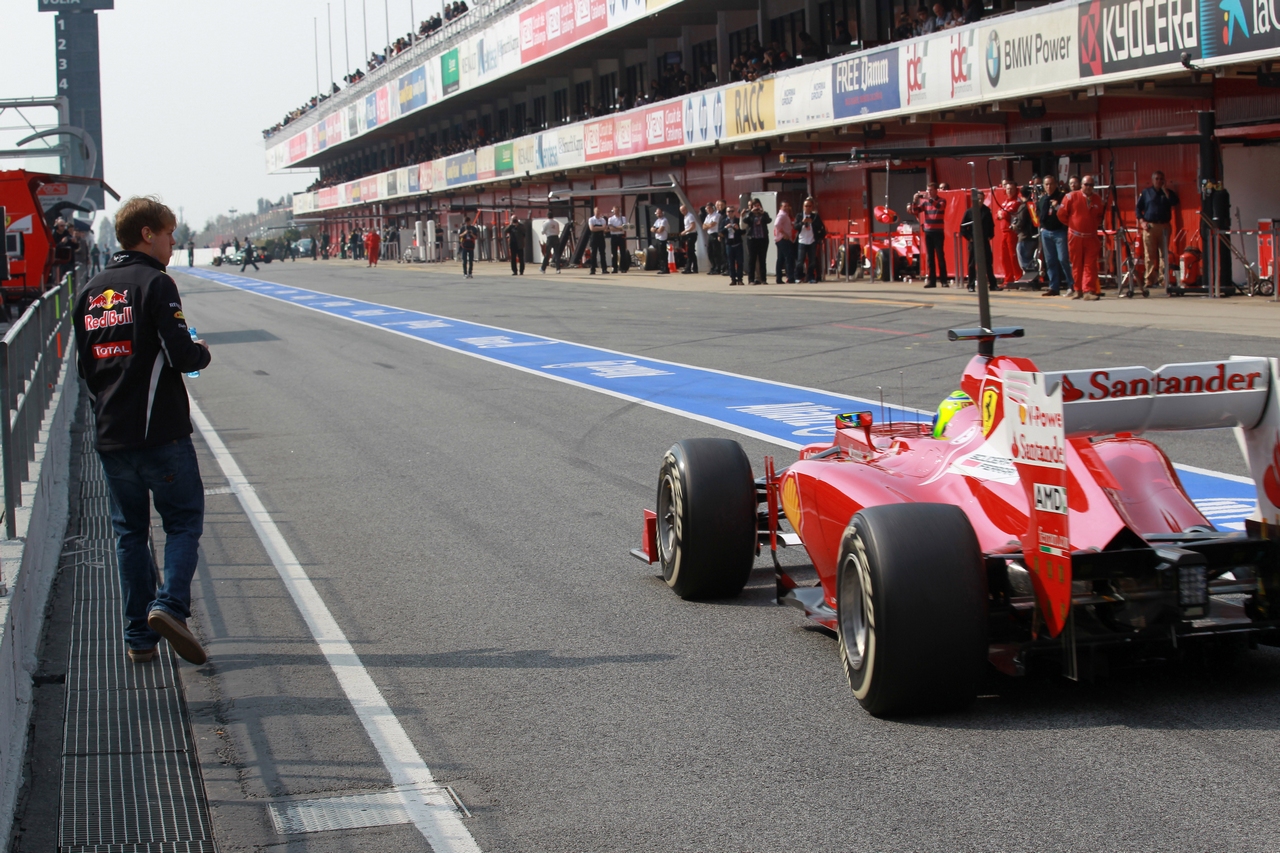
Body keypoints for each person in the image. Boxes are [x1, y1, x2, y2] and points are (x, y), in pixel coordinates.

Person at [73, 196, 212, 665]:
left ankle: (138, 638)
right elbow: (178, 355)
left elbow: (84, 371)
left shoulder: (89, 291)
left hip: (111, 436)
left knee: (129, 533)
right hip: (161, 434)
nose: (174, 243)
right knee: (182, 522)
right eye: (170, 234)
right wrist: (200, 351)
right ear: (148, 234)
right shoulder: (156, 283)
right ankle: (169, 606)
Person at [1057, 174, 1106, 300]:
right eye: (1086, 184)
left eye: (1091, 185)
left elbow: (1100, 215)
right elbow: (1061, 214)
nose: (1089, 187)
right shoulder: (1071, 197)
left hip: (1091, 237)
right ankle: (1077, 289)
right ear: (1081, 185)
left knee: (1090, 264)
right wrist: (1073, 225)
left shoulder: (1097, 199)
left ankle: (1088, 290)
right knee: (1076, 264)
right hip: (1075, 236)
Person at [1136, 170, 1179, 296]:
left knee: (1163, 254)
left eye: (1161, 179)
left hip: (1164, 225)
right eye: (1157, 179)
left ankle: (1163, 279)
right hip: (1150, 226)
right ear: (1153, 180)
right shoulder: (1146, 192)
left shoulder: (1168, 193)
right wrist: (1142, 222)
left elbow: (1175, 202)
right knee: (1149, 254)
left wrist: (1165, 191)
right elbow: (1138, 208)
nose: (1159, 181)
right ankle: (1149, 279)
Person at [1036, 175, 1073, 296]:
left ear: (1055, 184)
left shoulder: (1062, 197)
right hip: (1046, 232)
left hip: (1059, 232)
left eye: (1051, 184)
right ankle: (1054, 286)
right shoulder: (1042, 200)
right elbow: (1038, 213)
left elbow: (1067, 213)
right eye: (1046, 184)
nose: (1049, 187)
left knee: (1063, 259)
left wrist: (1057, 207)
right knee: (1050, 260)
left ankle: (1071, 285)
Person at [910, 182, 948, 288]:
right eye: (928, 190)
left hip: (938, 231)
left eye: (931, 190)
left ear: (936, 190)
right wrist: (914, 201)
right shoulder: (925, 203)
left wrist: (930, 199)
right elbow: (915, 211)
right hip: (928, 232)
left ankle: (944, 281)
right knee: (930, 257)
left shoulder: (941, 200)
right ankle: (932, 281)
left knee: (940, 256)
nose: (929, 192)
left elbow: (940, 207)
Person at [959, 197, 995, 292]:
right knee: (972, 264)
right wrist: (969, 238)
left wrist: (990, 236)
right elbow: (963, 227)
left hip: (984, 240)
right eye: (977, 199)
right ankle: (971, 285)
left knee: (988, 262)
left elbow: (991, 225)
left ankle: (993, 284)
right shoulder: (969, 212)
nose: (979, 201)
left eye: (981, 199)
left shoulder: (987, 211)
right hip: (974, 241)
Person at [994, 180, 1023, 287]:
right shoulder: (1005, 202)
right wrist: (1001, 214)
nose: (1009, 191)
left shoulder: (1017, 201)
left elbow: (1005, 214)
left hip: (1012, 232)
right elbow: (997, 215)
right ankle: (1008, 278)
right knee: (1005, 256)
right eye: (1008, 189)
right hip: (1004, 232)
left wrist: (1002, 214)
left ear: (1016, 190)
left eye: (1012, 189)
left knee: (1013, 256)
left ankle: (1018, 277)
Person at [794, 198, 826, 282]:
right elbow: (795, 226)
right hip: (802, 240)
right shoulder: (799, 215)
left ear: (812, 207)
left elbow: (820, 226)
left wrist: (812, 222)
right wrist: (802, 222)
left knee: (812, 261)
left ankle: (811, 277)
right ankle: (798, 276)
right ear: (803, 207)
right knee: (800, 261)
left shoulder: (815, 216)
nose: (807, 208)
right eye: (806, 206)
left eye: (809, 206)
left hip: (812, 241)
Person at [742, 198, 771, 285]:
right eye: (755, 206)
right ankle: (751, 279)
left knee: (762, 259)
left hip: (763, 239)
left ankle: (763, 279)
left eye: (758, 205)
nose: (757, 207)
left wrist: (763, 214)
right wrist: (751, 212)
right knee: (752, 260)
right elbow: (745, 221)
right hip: (752, 239)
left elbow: (769, 220)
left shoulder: (764, 214)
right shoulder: (749, 214)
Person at [773, 201, 796, 283]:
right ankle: (790, 277)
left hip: (780, 239)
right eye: (784, 206)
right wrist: (784, 233)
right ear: (780, 207)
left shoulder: (785, 215)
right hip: (783, 239)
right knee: (788, 258)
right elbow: (776, 224)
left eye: (787, 206)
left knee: (781, 259)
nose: (786, 208)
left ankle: (779, 278)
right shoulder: (782, 215)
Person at [723, 206, 744, 285]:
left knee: (740, 262)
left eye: (732, 211)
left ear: (734, 212)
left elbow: (743, 232)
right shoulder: (724, 221)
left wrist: (737, 229)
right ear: (726, 213)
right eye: (728, 211)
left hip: (737, 243)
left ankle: (740, 279)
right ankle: (733, 279)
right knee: (730, 263)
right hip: (729, 244)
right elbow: (720, 231)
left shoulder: (738, 220)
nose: (730, 213)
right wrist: (726, 227)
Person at [703, 202, 723, 275]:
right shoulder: (708, 216)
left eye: (710, 208)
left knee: (716, 252)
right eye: (707, 208)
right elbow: (703, 226)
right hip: (709, 234)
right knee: (710, 252)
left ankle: (718, 268)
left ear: (713, 208)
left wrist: (708, 225)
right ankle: (713, 267)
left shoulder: (717, 215)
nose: (708, 210)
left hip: (715, 234)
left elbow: (713, 224)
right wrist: (708, 225)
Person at [587, 206, 609, 274]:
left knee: (602, 253)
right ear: (594, 212)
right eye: (596, 211)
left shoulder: (602, 220)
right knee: (593, 254)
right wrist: (601, 228)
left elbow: (605, 229)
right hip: (594, 237)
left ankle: (604, 269)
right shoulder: (591, 219)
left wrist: (597, 227)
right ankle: (592, 269)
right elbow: (592, 229)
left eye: (599, 211)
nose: (598, 212)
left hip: (601, 237)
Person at [608, 207, 628, 273]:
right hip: (614, 236)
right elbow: (611, 228)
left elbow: (625, 227)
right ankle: (614, 268)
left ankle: (623, 268)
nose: (616, 211)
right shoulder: (610, 219)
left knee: (623, 252)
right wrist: (619, 228)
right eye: (614, 210)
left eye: (617, 210)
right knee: (614, 253)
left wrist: (615, 227)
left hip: (621, 236)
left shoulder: (623, 218)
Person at [679, 204, 698, 274]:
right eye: (681, 211)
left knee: (689, 252)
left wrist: (685, 231)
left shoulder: (690, 216)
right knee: (691, 252)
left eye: (684, 210)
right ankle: (695, 268)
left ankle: (688, 268)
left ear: (686, 209)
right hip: (688, 235)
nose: (683, 211)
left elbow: (693, 226)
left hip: (692, 234)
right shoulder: (685, 217)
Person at [650, 209, 670, 274]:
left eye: (659, 213)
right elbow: (651, 228)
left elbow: (660, 230)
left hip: (663, 239)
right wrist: (656, 229)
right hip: (658, 238)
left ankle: (665, 269)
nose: (658, 214)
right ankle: (661, 268)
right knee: (659, 254)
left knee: (663, 254)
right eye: (657, 213)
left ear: (662, 213)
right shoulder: (657, 221)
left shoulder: (664, 220)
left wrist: (655, 230)